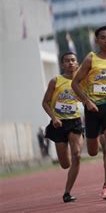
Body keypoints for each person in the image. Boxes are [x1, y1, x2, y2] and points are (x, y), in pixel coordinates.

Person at [72, 26, 106, 200]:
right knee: (94, 151)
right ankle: (98, 142)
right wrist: (87, 102)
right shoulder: (91, 59)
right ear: (97, 41)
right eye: (103, 38)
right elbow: (75, 83)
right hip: (92, 108)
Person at [42, 52, 83, 203]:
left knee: (77, 155)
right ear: (62, 64)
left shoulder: (81, 81)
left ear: (77, 64)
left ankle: (67, 192)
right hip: (59, 123)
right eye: (67, 61)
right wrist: (54, 118)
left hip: (75, 121)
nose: (70, 63)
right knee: (65, 164)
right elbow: (45, 102)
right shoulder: (56, 81)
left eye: (73, 60)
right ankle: (69, 164)